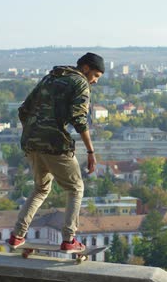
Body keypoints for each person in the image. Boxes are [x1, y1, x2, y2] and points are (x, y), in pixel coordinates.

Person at [7, 52, 105, 253]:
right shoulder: (80, 83)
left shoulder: (51, 77)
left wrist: (35, 131)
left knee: (41, 188)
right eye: (95, 75)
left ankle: (17, 235)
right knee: (75, 188)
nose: (94, 81)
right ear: (85, 68)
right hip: (55, 143)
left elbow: (24, 110)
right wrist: (90, 151)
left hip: (31, 142)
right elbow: (79, 119)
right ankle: (69, 239)